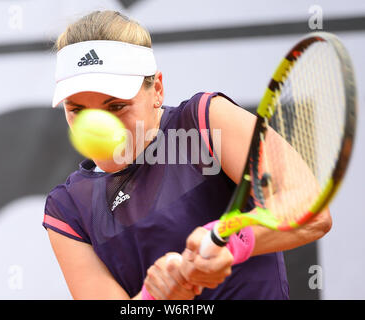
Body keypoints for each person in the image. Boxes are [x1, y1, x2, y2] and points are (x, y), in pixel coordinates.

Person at [43, 10, 332, 300]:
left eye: (117, 106)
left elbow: (312, 211)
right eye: (77, 110)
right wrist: (155, 298)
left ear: (157, 89)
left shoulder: (206, 119)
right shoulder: (67, 208)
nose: (99, 126)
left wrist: (229, 241)